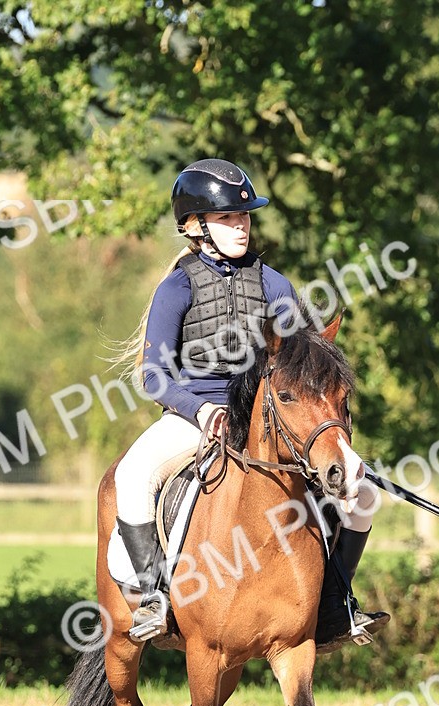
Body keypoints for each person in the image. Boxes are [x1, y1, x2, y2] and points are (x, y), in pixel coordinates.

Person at [113, 157, 389, 649]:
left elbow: (304, 365)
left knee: (364, 494)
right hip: (192, 413)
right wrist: (198, 410)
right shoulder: (176, 288)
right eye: (227, 219)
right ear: (197, 227)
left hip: (266, 418)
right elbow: (154, 375)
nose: (241, 226)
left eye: (244, 217)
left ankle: (333, 603)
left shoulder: (275, 285)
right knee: (132, 474)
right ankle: (154, 597)